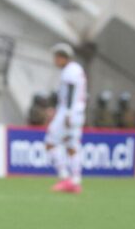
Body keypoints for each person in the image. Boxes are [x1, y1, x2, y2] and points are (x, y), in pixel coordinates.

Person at [45, 43, 87, 194]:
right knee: (72, 145)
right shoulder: (77, 69)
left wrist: (67, 113)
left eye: (56, 57)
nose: (55, 60)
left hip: (69, 113)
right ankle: (76, 181)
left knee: (50, 142)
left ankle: (64, 177)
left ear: (63, 57)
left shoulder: (70, 71)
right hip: (78, 112)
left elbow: (70, 92)